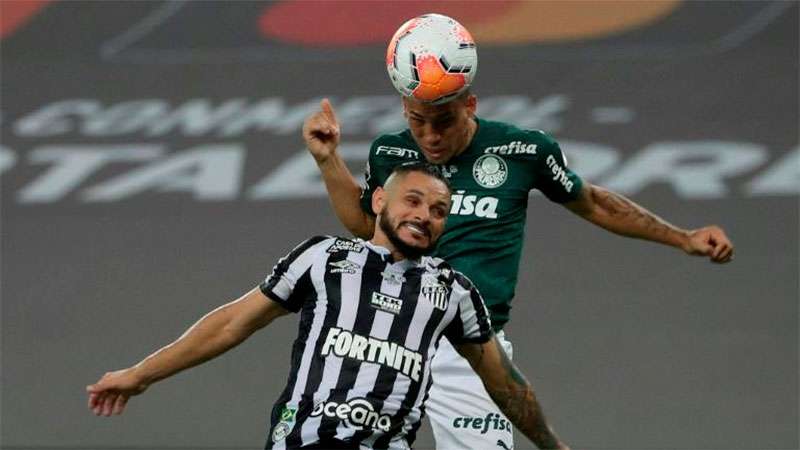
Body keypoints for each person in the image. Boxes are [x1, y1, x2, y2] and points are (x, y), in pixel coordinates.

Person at [303, 84, 735, 450]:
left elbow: (592, 202)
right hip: (389, 336)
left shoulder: (523, 150)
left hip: (466, 351)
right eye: (418, 121)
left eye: (444, 121)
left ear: (469, 105)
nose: (430, 136)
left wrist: (683, 237)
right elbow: (365, 224)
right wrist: (328, 161)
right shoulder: (390, 151)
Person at [86, 162, 570, 450]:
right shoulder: (325, 258)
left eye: (438, 211)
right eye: (413, 201)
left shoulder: (454, 292)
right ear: (379, 199)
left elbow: (507, 386)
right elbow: (233, 323)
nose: (424, 216)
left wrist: (552, 445)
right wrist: (141, 374)